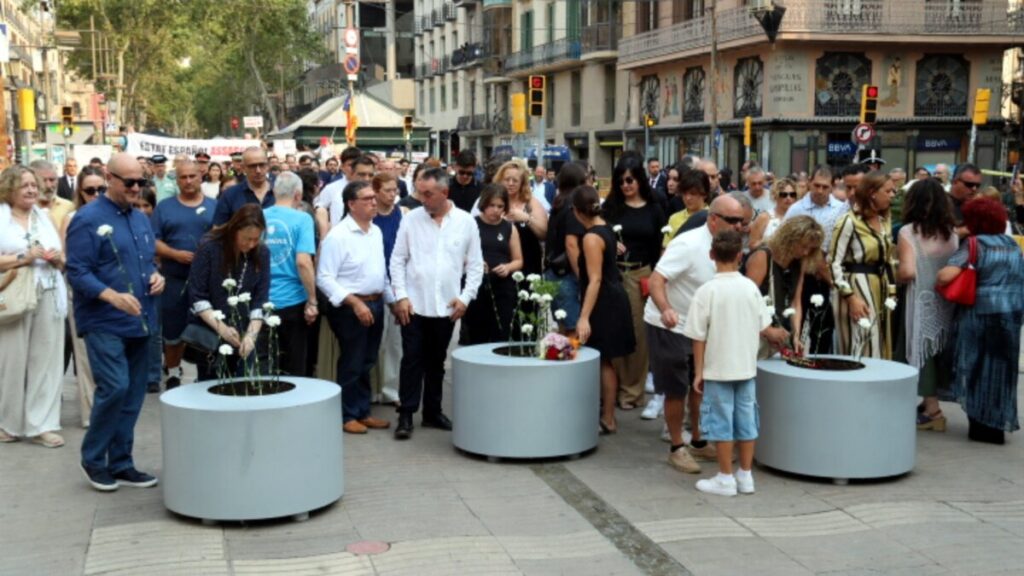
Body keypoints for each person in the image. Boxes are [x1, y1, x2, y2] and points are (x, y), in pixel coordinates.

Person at [66, 153, 165, 491]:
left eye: (141, 182)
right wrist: (111, 295)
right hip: (104, 319)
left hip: (140, 318)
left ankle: (121, 462)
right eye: (130, 182)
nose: (137, 188)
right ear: (110, 178)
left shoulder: (139, 218)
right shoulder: (87, 218)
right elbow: (77, 271)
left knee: (134, 393)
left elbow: (147, 262)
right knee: (116, 387)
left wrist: (157, 277)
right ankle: (94, 459)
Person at [645, 195, 746, 473]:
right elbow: (656, 280)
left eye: (742, 221)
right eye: (733, 221)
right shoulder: (688, 244)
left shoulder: (730, 245)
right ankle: (677, 447)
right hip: (670, 324)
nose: (739, 226)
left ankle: (698, 442)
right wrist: (666, 309)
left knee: (699, 384)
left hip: (699, 328)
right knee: (676, 387)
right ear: (713, 220)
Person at [389, 168, 484, 440]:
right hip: (414, 304)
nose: (422, 199)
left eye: (428, 194)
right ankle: (406, 413)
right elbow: (397, 260)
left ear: (445, 192)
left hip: (447, 306)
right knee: (412, 359)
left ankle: (432, 411)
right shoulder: (411, 219)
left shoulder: (465, 222)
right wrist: (401, 296)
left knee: (437, 360)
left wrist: (465, 297)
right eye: (419, 193)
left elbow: (475, 265)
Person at [683, 229, 772, 497]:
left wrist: (699, 371)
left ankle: (725, 477)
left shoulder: (706, 291)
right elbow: (763, 325)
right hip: (745, 367)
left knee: (721, 423)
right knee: (746, 420)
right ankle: (745, 474)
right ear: (740, 256)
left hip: (718, 368)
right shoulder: (750, 288)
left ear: (712, 255)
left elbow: (698, 336)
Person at [938, 197, 1024, 445]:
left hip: (979, 314)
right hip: (1011, 313)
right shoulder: (1012, 244)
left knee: (975, 367)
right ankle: (997, 424)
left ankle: (980, 423)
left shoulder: (974, 244)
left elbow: (946, 276)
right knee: (1002, 369)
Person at [317, 181, 393, 434]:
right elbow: (324, 278)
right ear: (351, 204)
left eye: (374, 197)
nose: (374, 202)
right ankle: (347, 414)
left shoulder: (375, 231)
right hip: (350, 308)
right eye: (367, 199)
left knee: (368, 360)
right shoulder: (338, 236)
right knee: (352, 360)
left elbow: (381, 272)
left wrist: (392, 301)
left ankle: (363, 411)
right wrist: (355, 303)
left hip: (376, 302)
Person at [0, 166, 68, 448]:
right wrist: (23, 257)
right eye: (24, 185)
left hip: (49, 292)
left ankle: (42, 425)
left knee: (47, 361)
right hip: (14, 297)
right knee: (10, 362)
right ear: (9, 189)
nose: (31, 190)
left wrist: (57, 259)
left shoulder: (44, 217)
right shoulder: (2, 218)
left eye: (33, 185)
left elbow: (63, 258)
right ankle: (8, 424)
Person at [602, 160, 667, 410]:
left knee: (639, 335)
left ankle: (632, 392)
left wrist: (657, 279)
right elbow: (596, 233)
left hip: (642, 273)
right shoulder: (611, 208)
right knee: (615, 331)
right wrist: (610, 241)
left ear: (639, 179)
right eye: (620, 181)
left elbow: (660, 245)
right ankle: (615, 388)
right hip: (614, 273)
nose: (625, 185)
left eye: (629, 179)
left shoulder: (654, 209)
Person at [896, 179, 958, 432]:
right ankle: (929, 405)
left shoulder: (908, 232)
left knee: (919, 351)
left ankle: (933, 411)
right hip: (945, 302)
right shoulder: (951, 233)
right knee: (935, 352)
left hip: (919, 301)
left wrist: (894, 273)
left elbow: (907, 272)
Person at [574, 185, 636, 435]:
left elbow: (595, 279)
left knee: (604, 360)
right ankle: (607, 415)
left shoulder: (591, 237)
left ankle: (608, 418)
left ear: (577, 211)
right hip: (613, 296)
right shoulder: (606, 228)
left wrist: (584, 317)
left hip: (604, 301)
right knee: (605, 360)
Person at [151, 160, 217, 390]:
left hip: (207, 283)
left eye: (192, 176)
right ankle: (172, 373)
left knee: (206, 328)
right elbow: (154, 241)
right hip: (174, 280)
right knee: (173, 332)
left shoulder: (214, 206)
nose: (188, 181)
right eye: (183, 177)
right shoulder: (164, 208)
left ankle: (206, 375)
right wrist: (174, 254)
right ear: (176, 180)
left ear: (201, 176)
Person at [187, 204, 270, 381]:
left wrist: (251, 335)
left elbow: (260, 299)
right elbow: (197, 296)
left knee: (242, 386)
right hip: (211, 334)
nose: (251, 244)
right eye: (247, 238)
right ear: (234, 230)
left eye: (256, 239)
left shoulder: (262, 252)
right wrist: (223, 329)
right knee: (210, 386)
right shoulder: (209, 247)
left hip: (245, 332)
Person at [830, 171, 896, 359]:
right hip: (856, 287)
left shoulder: (884, 221)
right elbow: (833, 263)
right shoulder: (848, 221)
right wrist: (850, 297)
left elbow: (889, 259)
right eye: (888, 191)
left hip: (881, 286)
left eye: (893, 191)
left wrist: (892, 291)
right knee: (862, 342)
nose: (892, 195)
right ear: (872, 193)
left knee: (880, 343)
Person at [785, 165, 849, 354]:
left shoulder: (841, 209)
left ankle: (820, 361)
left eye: (825, 187)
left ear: (832, 186)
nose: (820, 191)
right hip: (803, 274)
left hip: (829, 274)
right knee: (798, 324)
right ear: (809, 183)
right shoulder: (796, 209)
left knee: (824, 329)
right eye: (816, 185)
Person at [60, 166, 106, 427]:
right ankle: (91, 414)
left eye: (101, 189)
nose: (96, 194)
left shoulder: (117, 215)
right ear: (81, 192)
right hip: (81, 293)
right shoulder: (72, 218)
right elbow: (64, 258)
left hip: (115, 292)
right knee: (86, 355)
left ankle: (110, 408)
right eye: (90, 190)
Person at [263, 172, 318, 376]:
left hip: (262, 299)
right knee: (294, 365)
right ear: (298, 195)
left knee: (266, 363)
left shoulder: (259, 215)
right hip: (293, 300)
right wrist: (312, 300)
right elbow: (303, 262)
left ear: (274, 191)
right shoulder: (303, 219)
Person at [745, 216, 823, 357]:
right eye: (803, 246)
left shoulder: (800, 262)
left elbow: (796, 302)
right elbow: (745, 300)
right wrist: (767, 330)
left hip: (780, 333)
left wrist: (796, 335)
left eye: (810, 249)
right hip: (755, 333)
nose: (806, 252)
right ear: (790, 239)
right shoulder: (763, 255)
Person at [465, 184, 523, 344]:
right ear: (484, 204)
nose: (496, 210)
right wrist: (474, 262)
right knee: (477, 333)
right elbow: (459, 254)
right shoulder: (471, 224)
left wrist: (508, 267)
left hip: (503, 287)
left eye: (500, 206)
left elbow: (518, 260)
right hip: (477, 285)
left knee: (502, 332)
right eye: (491, 205)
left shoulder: (509, 228)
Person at [544, 162, 588, 335]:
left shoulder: (559, 201)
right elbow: (571, 244)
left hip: (554, 272)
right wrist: (582, 276)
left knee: (563, 328)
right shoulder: (573, 205)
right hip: (567, 274)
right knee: (574, 330)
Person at [371, 173, 403, 404]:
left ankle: (391, 390)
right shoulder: (370, 217)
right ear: (376, 191)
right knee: (375, 342)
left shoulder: (402, 214)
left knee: (395, 342)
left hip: (398, 284)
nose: (392, 195)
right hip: (374, 286)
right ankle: (373, 389)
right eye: (388, 190)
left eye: (395, 190)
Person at [491, 160, 548, 275]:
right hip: (499, 263)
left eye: (515, 180)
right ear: (500, 180)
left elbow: (544, 233)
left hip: (528, 263)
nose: (511, 183)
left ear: (522, 183)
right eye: (507, 179)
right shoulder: (491, 202)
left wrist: (526, 218)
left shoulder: (531, 203)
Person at [213, 147, 275, 226]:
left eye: (262, 165)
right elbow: (218, 229)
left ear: (267, 166)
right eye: (252, 166)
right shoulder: (229, 196)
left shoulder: (280, 193)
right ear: (243, 168)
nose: (258, 170)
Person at [664, 169, 711, 243]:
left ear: (704, 194)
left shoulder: (713, 218)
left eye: (693, 193)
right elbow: (666, 246)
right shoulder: (674, 219)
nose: (688, 198)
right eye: (684, 193)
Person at [760, 177, 799, 241]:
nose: (788, 198)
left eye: (792, 194)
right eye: (784, 195)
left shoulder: (799, 217)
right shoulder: (764, 217)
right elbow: (753, 243)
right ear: (776, 196)